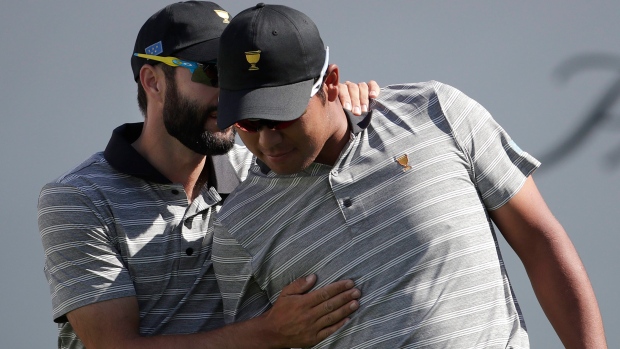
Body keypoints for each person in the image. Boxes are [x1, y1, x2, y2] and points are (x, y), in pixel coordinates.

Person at [211, 4, 608, 348]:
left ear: (329, 83)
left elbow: (539, 241)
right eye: (248, 123)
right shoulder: (237, 227)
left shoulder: (436, 112)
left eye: (283, 116)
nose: (267, 139)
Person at [37, 2, 380, 348]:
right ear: (153, 82)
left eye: (240, 73)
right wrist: (272, 332)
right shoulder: (78, 198)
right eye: (215, 72)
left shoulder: (265, 160)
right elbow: (115, 345)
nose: (235, 94)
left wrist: (332, 100)